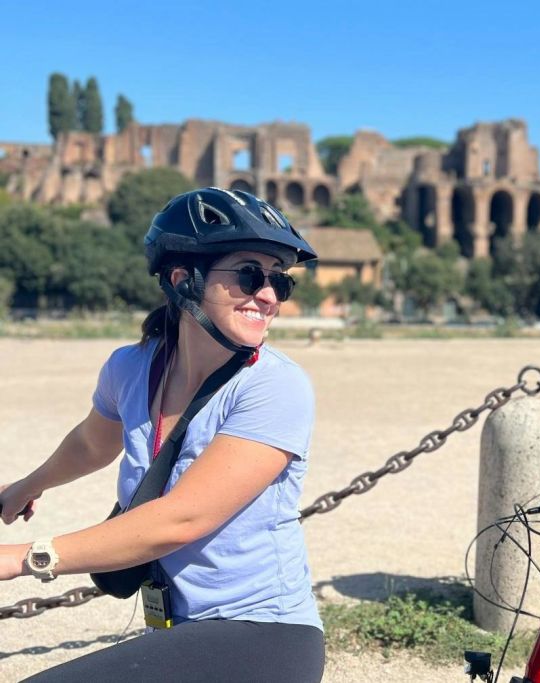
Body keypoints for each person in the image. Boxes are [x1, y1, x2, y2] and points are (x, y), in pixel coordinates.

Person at [0, 187, 325, 682]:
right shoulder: (131, 367)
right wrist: (27, 486)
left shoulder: (275, 386)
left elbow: (181, 519)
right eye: (249, 275)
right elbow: (93, 443)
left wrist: (24, 559)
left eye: (280, 282)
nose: (268, 295)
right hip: (175, 633)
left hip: (262, 633)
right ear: (183, 280)